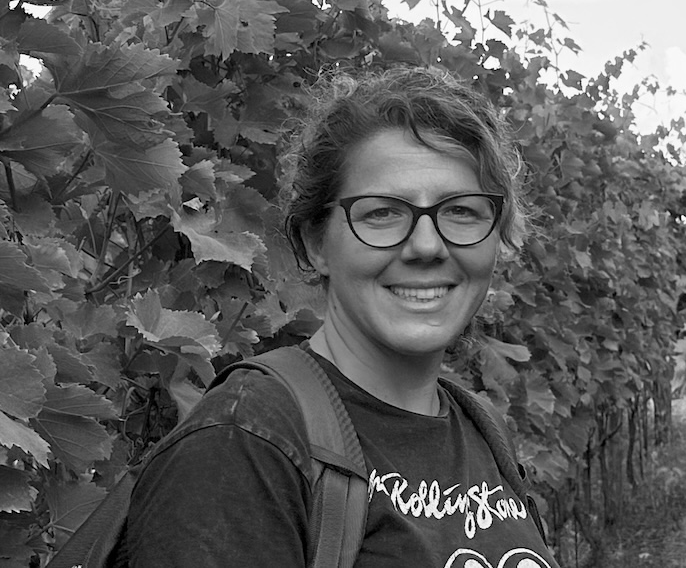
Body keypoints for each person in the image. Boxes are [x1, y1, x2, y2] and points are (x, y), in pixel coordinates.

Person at [126, 66, 559, 568]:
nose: (426, 246)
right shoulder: (245, 443)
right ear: (316, 242)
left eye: (462, 211)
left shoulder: (482, 429)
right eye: (382, 212)